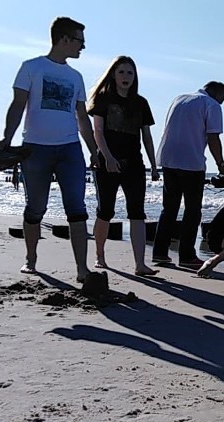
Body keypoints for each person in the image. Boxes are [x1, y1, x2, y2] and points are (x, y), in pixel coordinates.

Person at [0, 17, 97, 283]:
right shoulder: (32, 67)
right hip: (35, 148)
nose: (83, 47)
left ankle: (82, 269)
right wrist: (7, 138)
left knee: (76, 208)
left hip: (70, 149)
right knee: (35, 207)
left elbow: (82, 118)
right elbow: (17, 105)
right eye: (79, 41)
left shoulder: (76, 77)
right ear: (64, 39)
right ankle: (31, 258)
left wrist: (93, 150)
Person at [87, 55, 159, 276]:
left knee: (137, 213)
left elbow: (146, 136)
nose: (126, 77)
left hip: (134, 163)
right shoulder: (102, 99)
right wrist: (107, 157)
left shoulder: (140, 103)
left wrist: (154, 165)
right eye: (121, 72)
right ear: (113, 74)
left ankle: (140, 264)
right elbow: (97, 132)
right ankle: (100, 255)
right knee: (105, 210)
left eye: (130, 72)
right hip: (107, 162)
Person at [152, 81, 224, 269]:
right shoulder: (212, 105)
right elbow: (213, 137)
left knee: (169, 209)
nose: (222, 103)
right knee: (192, 211)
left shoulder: (179, 99)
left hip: (168, 159)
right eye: (223, 99)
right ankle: (186, 255)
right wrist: (221, 164)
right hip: (191, 162)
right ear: (218, 94)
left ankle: (159, 252)